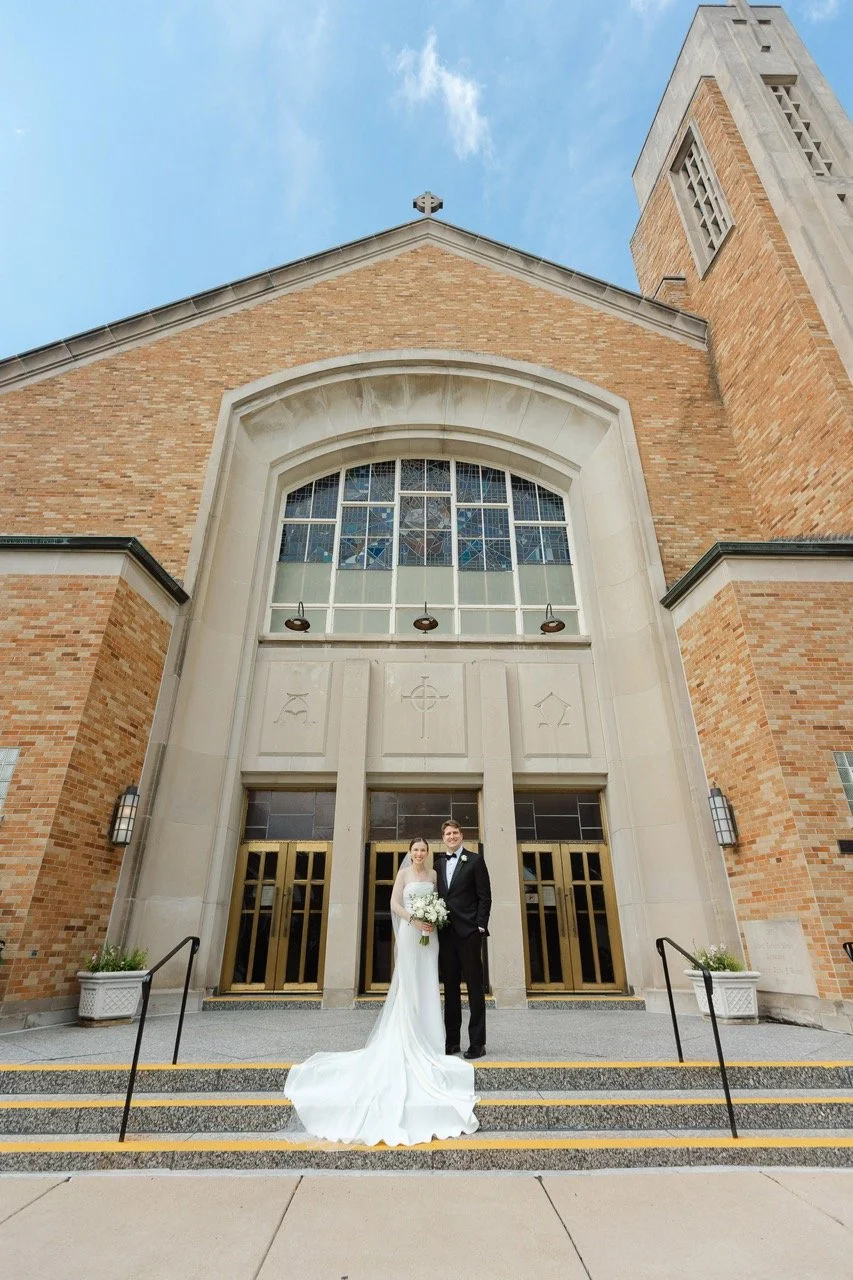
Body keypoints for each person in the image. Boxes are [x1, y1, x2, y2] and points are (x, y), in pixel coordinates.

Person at [283, 836, 479, 1146]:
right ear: (410, 853)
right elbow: (394, 904)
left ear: (428, 854)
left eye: (423, 850)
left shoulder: (433, 875)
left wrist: (433, 919)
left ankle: (431, 1038)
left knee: (429, 983)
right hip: (411, 932)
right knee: (409, 983)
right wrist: (415, 920)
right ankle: (408, 1033)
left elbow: (441, 902)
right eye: (415, 849)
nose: (419, 853)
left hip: (430, 936)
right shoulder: (404, 875)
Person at [434, 819, 491, 1059]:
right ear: (443, 837)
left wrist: (479, 926)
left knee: (475, 989)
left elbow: (485, 896)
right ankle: (452, 1041)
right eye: (447, 833)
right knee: (450, 989)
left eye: (455, 833)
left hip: (469, 934)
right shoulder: (437, 864)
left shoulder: (475, 860)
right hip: (445, 935)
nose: (451, 836)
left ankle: (477, 1043)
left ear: (461, 835)